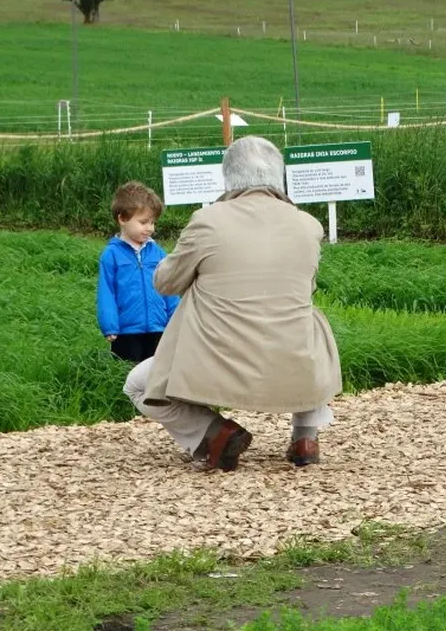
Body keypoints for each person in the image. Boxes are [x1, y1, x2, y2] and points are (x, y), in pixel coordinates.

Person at [123, 136, 342, 471]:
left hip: (217, 363)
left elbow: (166, 283)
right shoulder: (308, 226)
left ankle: (215, 433)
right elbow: (307, 287)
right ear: (279, 177)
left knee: (138, 385)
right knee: (308, 320)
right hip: (292, 361)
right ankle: (305, 436)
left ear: (227, 177)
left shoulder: (207, 221)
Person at [97, 181, 179, 363]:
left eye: (152, 222)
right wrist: (110, 325)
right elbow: (106, 292)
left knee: (157, 371)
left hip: (159, 328)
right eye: (143, 222)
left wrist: (175, 319)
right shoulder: (111, 255)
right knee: (128, 372)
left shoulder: (158, 253)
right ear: (122, 219)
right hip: (126, 331)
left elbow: (168, 287)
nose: (150, 228)